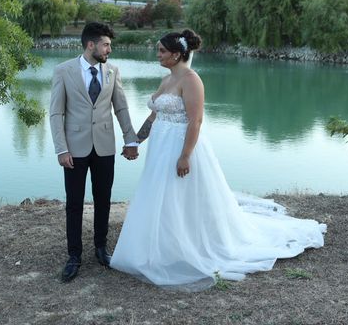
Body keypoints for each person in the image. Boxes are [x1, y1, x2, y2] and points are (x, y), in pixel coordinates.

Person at [110, 29, 326, 291]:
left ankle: (187, 247)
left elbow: (196, 121)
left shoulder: (191, 80)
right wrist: (135, 142)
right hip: (160, 148)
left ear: (177, 54)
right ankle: (160, 245)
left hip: (180, 146)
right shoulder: (167, 80)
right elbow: (155, 116)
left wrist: (185, 156)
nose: (158, 54)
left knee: (182, 195)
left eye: (162, 51)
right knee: (160, 194)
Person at [49, 22, 139, 282]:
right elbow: (56, 113)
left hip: (104, 147)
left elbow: (121, 107)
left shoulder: (112, 71)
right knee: (74, 204)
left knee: (103, 199)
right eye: (106, 44)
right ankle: (74, 256)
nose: (109, 49)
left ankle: (101, 247)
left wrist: (130, 139)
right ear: (91, 45)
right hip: (74, 149)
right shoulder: (63, 71)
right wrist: (61, 148)